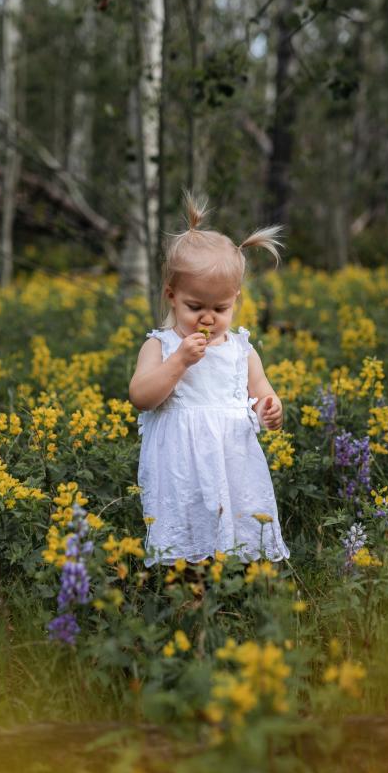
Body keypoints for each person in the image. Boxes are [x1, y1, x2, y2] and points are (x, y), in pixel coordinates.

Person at [128, 194, 290, 566]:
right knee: (187, 528)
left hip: (233, 459)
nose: (209, 317)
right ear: (171, 296)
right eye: (195, 307)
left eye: (220, 308)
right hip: (181, 465)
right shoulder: (162, 345)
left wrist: (270, 408)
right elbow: (141, 396)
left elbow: (261, 391)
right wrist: (180, 362)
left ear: (235, 299)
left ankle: (237, 587)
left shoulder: (241, 349)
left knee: (238, 521)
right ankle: (190, 589)